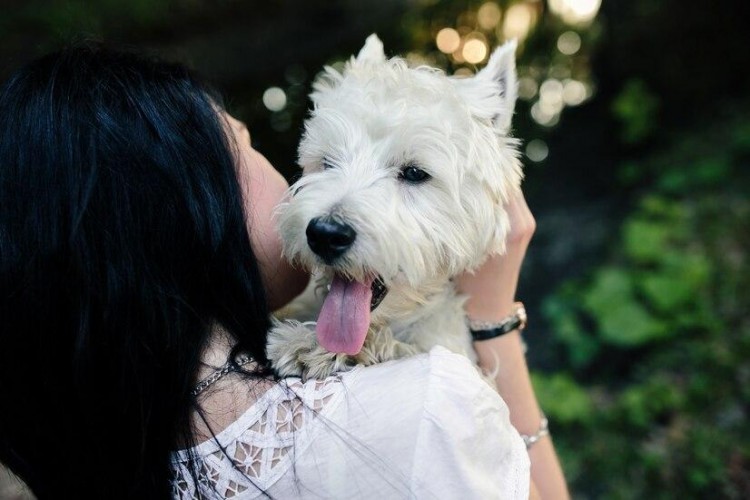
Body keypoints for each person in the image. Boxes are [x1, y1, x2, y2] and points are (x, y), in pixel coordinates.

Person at [0, 41, 568, 498]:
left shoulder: (81, 434)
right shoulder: (428, 412)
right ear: (177, 211)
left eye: (413, 175)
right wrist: (493, 319)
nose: (329, 212)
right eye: (244, 145)